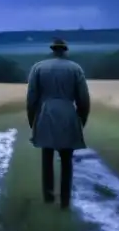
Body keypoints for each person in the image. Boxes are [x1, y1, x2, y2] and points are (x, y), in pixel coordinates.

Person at [26, 37, 91, 209]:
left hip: (45, 114)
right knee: (67, 160)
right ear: (65, 50)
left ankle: (48, 198)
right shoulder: (76, 68)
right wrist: (80, 122)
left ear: (52, 50)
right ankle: (65, 201)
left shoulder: (38, 67)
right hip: (68, 113)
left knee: (47, 158)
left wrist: (33, 122)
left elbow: (31, 98)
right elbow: (83, 100)